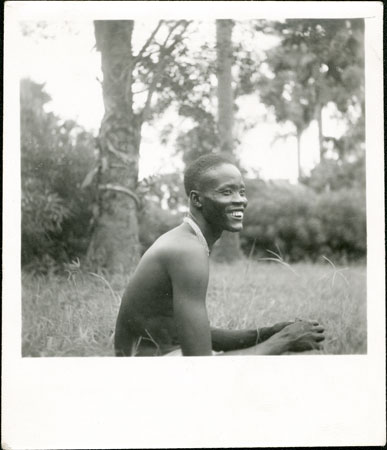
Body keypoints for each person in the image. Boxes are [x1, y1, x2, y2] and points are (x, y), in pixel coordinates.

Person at [114, 154, 325, 356]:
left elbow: (192, 334)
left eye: (241, 192)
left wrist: (269, 333)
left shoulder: (189, 241)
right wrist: (286, 340)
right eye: (226, 192)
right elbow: (203, 365)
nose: (240, 200)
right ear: (197, 200)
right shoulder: (187, 251)